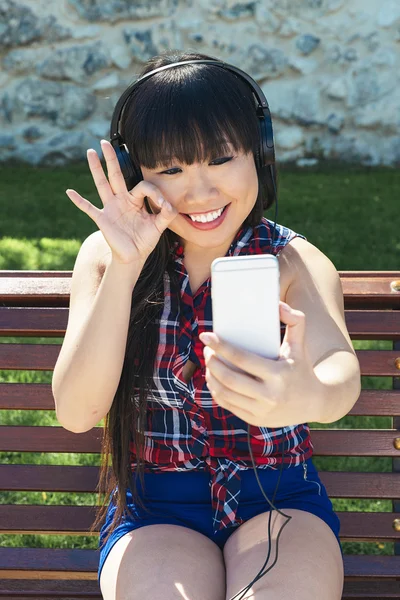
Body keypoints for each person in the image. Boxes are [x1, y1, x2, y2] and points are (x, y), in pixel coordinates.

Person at [52, 50, 361, 600]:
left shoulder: (293, 261)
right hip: (156, 510)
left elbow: (340, 375)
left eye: (221, 158)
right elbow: (77, 412)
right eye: (170, 169)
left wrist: (303, 393)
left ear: (259, 157)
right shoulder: (107, 256)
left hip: (280, 502)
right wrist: (124, 270)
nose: (200, 192)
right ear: (135, 176)